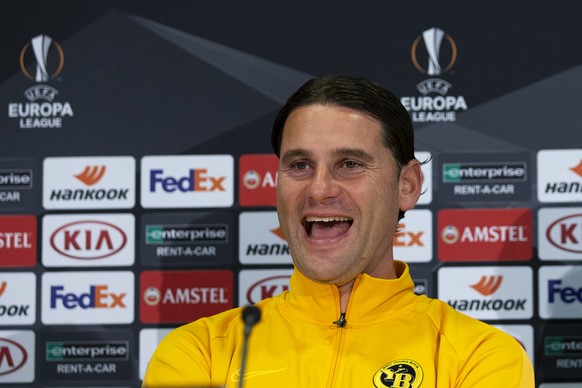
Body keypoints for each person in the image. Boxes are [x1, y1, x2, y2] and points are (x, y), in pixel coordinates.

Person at [142, 75, 535, 387]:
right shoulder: (199, 354)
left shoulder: (480, 356)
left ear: (407, 185)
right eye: (299, 165)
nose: (319, 189)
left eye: (350, 164)